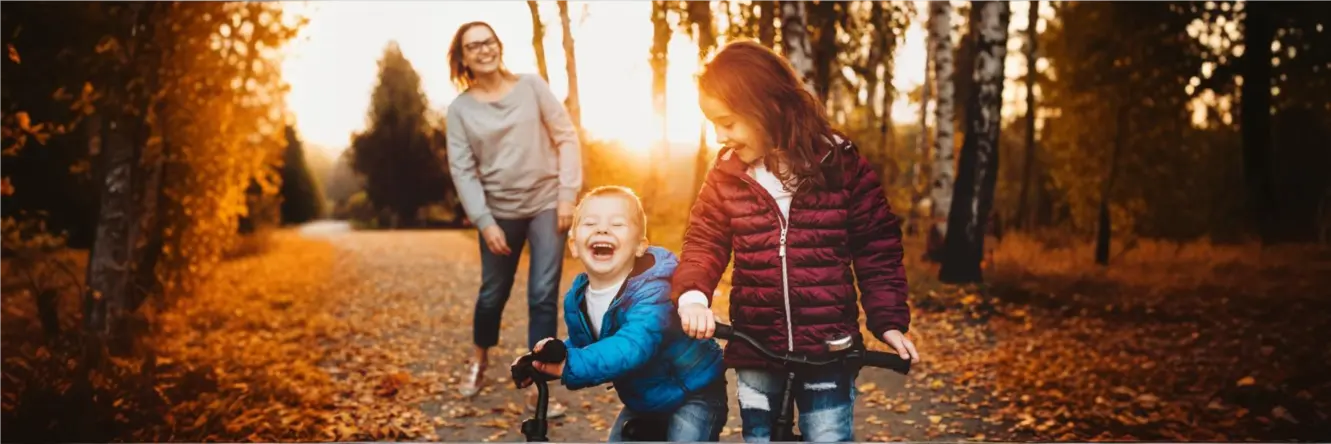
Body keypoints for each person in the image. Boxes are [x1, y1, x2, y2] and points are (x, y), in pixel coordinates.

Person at [671, 40, 921, 442]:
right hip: (756, 343)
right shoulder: (726, 175)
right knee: (761, 437)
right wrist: (693, 297)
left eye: (728, 121)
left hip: (829, 348)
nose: (720, 135)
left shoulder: (840, 164)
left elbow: (877, 246)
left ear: (768, 105)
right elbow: (704, 240)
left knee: (827, 436)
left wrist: (888, 320)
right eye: (713, 123)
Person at [445, 21, 581, 418]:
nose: (483, 50)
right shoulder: (460, 110)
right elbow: (463, 169)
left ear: (499, 45)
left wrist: (567, 195)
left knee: (542, 295)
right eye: (473, 47)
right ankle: (479, 360)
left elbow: (566, 136)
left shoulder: (532, 86)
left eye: (488, 41)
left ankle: (533, 381)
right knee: (493, 294)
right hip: (498, 212)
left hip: (545, 203)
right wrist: (484, 220)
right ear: (463, 58)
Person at [517, 186, 728, 442]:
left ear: (640, 247)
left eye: (617, 224)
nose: (602, 229)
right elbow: (589, 346)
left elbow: (633, 346)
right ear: (573, 245)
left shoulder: (656, 291)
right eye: (591, 223)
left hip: (693, 392)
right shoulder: (577, 299)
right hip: (644, 398)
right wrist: (544, 362)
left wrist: (570, 364)